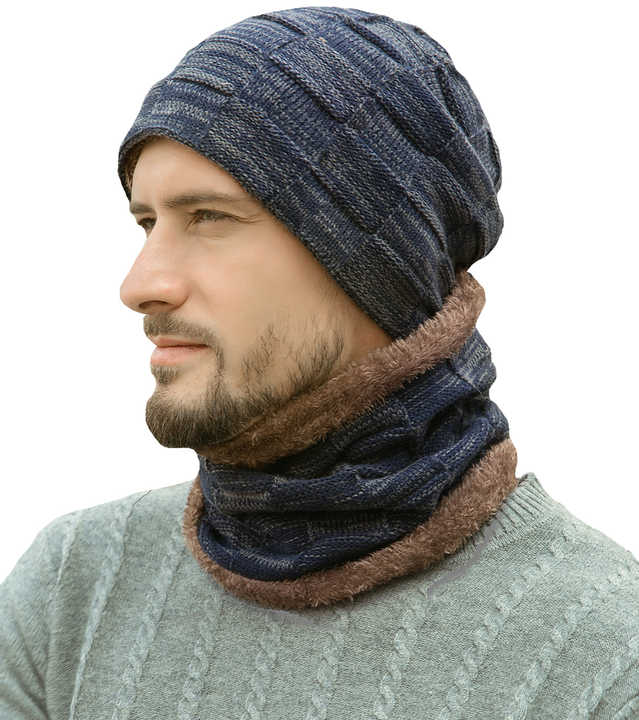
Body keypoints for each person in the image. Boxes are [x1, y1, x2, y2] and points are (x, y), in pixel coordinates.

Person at [1, 7, 638, 718]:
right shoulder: (73, 591)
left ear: (377, 265)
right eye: (147, 222)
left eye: (209, 217)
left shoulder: (606, 654)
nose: (140, 284)